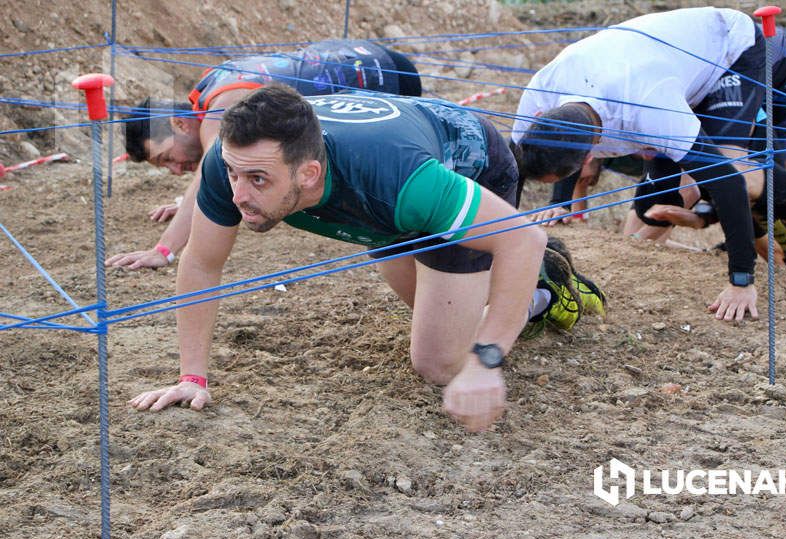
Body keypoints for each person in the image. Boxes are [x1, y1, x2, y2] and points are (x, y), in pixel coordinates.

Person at [127, 85, 606, 433]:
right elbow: (202, 264)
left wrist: (487, 359)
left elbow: (523, 238)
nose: (237, 194)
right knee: (432, 307)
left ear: (309, 174)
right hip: (391, 186)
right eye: (233, 174)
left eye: (257, 180)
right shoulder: (231, 163)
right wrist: (192, 376)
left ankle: (540, 294)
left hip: (468, 162)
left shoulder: (397, 183)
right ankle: (501, 286)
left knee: (440, 364)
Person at [512, 7, 786, 322]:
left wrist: (741, 281)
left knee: (731, 164)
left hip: (732, 48)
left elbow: (725, 181)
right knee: (652, 208)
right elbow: (510, 173)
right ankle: (758, 225)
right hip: (671, 70)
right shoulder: (538, 96)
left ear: (591, 156)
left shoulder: (648, 104)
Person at [107, 39, 422, 270]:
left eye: (166, 158)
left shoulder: (221, 107)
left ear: (178, 123)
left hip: (385, 78)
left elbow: (208, 173)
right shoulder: (213, 89)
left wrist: (163, 250)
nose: (175, 170)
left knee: (394, 202)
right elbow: (212, 181)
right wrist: (187, 204)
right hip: (366, 55)